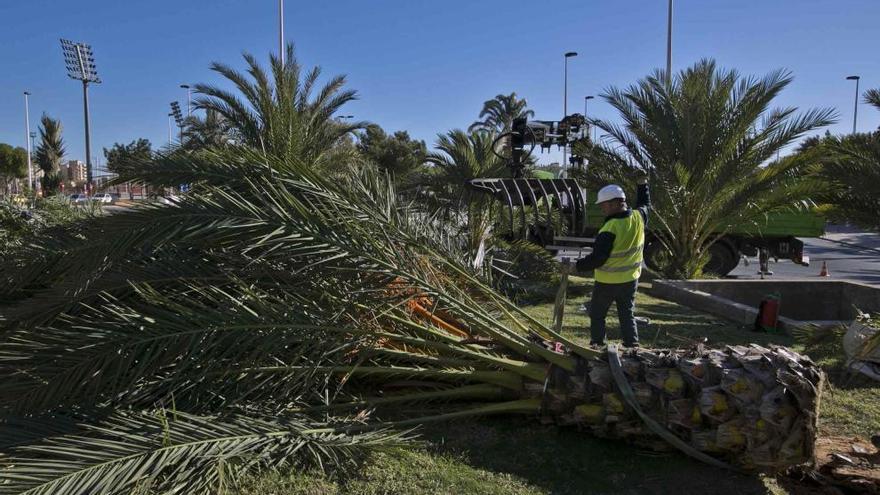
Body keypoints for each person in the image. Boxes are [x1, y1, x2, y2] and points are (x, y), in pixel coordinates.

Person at [576, 176, 650, 348]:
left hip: (607, 282)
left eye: (603, 205)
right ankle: (632, 346)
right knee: (626, 313)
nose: (602, 209)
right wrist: (642, 185)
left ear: (615, 203)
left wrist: (577, 265)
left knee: (597, 314)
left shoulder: (610, 228)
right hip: (631, 279)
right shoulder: (638, 217)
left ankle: (597, 345)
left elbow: (598, 258)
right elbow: (646, 205)